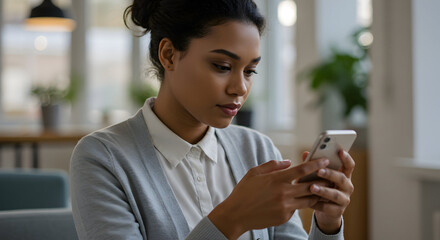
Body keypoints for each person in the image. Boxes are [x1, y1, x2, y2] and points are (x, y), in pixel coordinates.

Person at [70, 0, 355, 239]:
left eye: (249, 71)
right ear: (169, 55)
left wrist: (327, 224)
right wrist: (232, 218)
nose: (240, 88)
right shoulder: (102, 158)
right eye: (222, 66)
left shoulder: (257, 150)